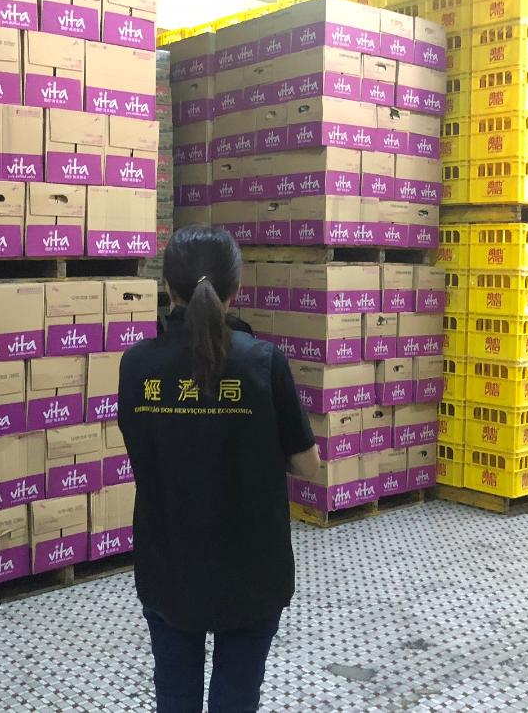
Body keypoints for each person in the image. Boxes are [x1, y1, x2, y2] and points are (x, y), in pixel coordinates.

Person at [118, 225, 322, 713]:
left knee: (175, 694)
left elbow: (140, 448)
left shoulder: (137, 365)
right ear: (237, 289)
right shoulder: (263, 362)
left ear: (167, 287)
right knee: (237, 697)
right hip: (252, 569)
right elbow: (308, 466)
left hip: (168, 564)